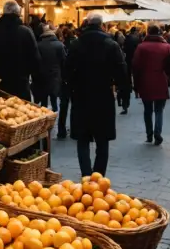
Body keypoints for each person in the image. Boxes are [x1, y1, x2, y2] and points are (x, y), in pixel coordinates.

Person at [66, 13, 127, 176]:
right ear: (102, 25)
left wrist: (71, 88)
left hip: (81, 96)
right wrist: (122, 91)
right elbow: (121, 72)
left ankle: (86, 175)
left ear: (86, 24)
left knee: (82, 139)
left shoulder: (76, 44)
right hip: (103, 96)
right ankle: (99, 177)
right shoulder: (111, 44)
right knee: (102, 139)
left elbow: (67, 71)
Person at [0, 1, 41, 100]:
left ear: (3, 13)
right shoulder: (26, 32)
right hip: (20, 86)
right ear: (18, 14)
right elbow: (35, 61)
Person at [132, 24, 170, 145]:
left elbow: (135, 66)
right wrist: (168, 76)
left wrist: (135, 83)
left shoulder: (141, 47)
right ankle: (158, 132)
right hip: (161, 80)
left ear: (147, 32)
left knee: (147, 110)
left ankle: (149, 134)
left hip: (145, 81)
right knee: (159, 110)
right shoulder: (167, 47)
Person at [34, 24, 66, 112]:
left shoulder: (38, 45)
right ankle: (54, 115)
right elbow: (64, 61)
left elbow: (35, 61)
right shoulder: (59, 45)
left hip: (42, 76)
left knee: (43, 101)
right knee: (54, 99)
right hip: (55, 75)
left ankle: (44, 118)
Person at [56, 27, 77, 139]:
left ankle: (61, 130)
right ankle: (73, 129)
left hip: (64, 80)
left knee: (63, 106)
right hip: (74, 80)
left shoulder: (63, 46)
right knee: (74, 105)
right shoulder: (76, 44)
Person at [120, 27, 141, 114]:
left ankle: (129, 89)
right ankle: (136, 92)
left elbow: (124, 48)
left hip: (128, 59)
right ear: (135, 31)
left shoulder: (127, 38)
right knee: (136, 76)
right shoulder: (137, 39)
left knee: (128, 75)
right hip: (135, 59)